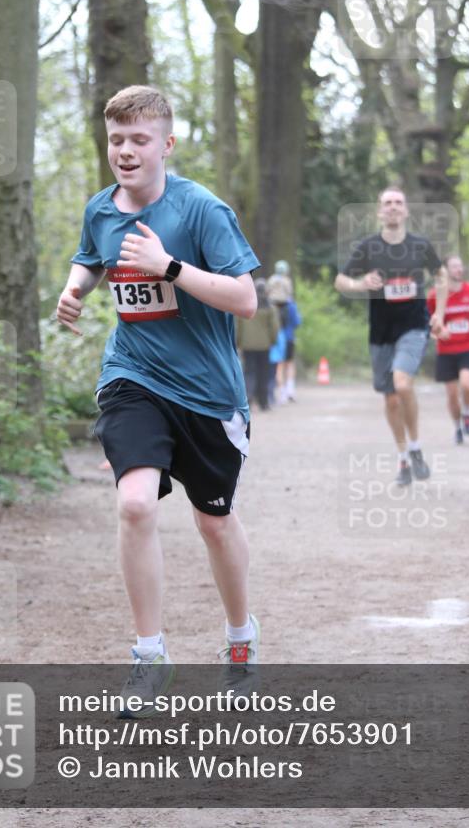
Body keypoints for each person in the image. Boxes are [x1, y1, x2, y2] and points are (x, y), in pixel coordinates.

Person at [56, 86, 260, 713]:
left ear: (166, 145)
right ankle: (150, 654)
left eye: (139, 139)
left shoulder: (203, 211)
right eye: (116, 139)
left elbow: (245, 299)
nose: (125, 150)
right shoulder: (101, 209)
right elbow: (92, 258)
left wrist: (167, 266)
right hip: (133, 376)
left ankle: (241, 639)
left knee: (214, 523)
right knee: (137, 505)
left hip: (207, 393)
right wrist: (75, 289)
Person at [334, 187, 448, 486]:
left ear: (406, 211)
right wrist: (361, 284)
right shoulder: (368, 247)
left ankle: (416, 445)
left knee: (402, 383)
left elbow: (441, 275)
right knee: (392, 400)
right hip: (381, 332)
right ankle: (404, 458)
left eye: (399, 202)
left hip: (414, 326)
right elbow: (340, 280)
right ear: (379, 212)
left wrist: (440, 313)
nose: (394, 207)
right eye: (388, 203)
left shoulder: (420, 245)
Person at [427, 255, 469, 444]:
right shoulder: (434, 295)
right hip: (446, 351)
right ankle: (457, 427)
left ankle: (468, 411)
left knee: (467, 383)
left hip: (468, 346)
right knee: (452, 395)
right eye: (454, 267)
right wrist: (439, 330)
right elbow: (428, 323)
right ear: (445, 271)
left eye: (460, 266)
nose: (459, 270)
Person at [236, 279, 279, 411]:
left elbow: (239, 326)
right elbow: (274, 327)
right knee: (263, 373)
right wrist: (272, 341)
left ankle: (248, 397)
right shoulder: (270, 307)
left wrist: (239, 342)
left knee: (249, 372)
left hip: (247, 345)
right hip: (264, 345)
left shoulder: (246, 304)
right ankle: (263, 402)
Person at [274, 291, 302, 404]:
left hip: (277, 338)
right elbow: (297, 322)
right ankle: (290, 390)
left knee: (279, 366)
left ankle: (282, 394)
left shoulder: (273, 303)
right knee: (289, 364)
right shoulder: (291, 305)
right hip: (289, 337)